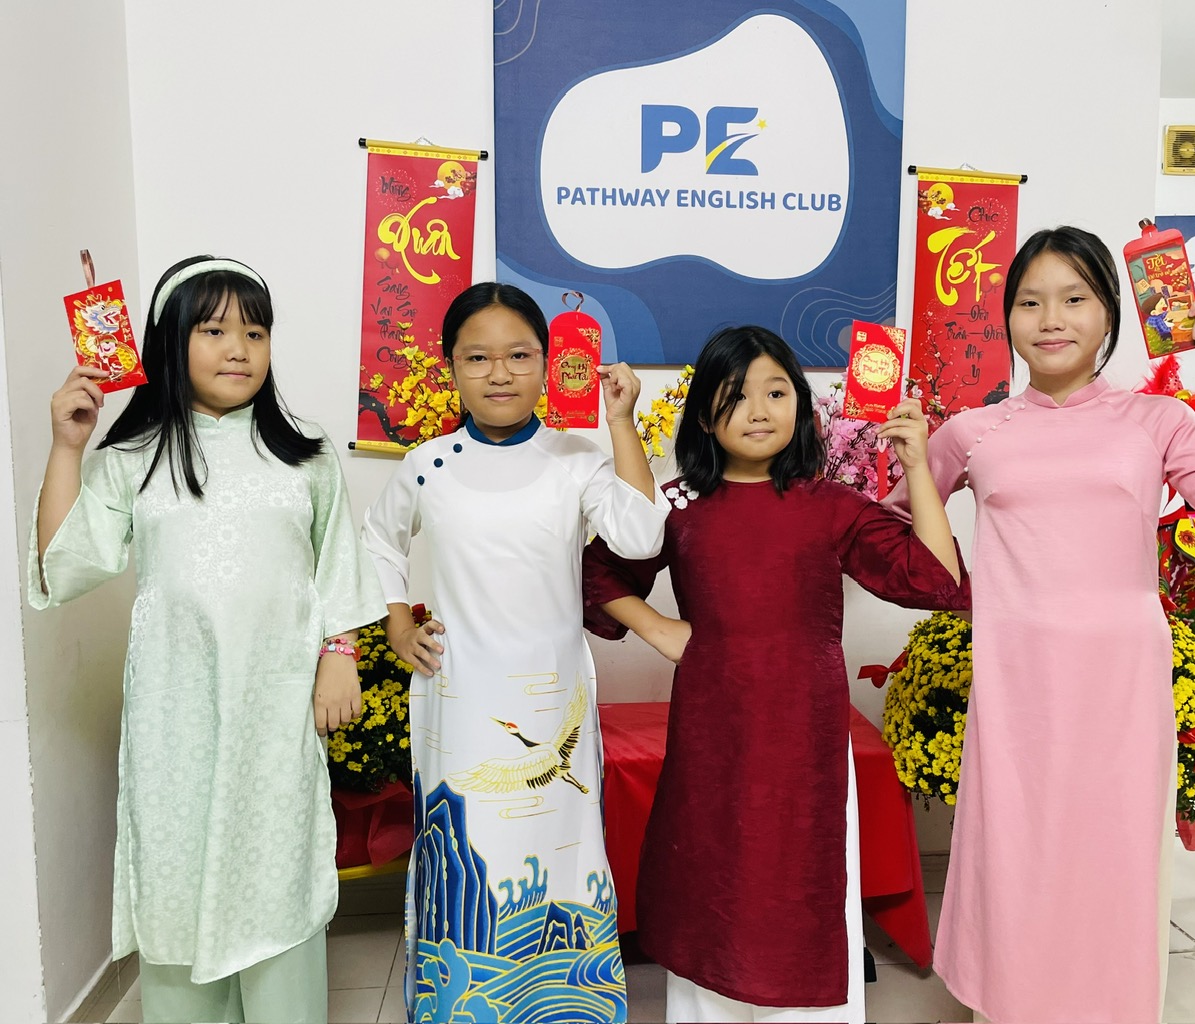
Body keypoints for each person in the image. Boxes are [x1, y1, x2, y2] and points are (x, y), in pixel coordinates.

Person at [886, 225, 1195, 1023]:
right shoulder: (973, 430)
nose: (1051, 319)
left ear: (1109, 314)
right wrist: (913, 460)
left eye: (1074, 299)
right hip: (1015, 689)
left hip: (1122, 690)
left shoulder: (1157, 421)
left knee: (1114, 864)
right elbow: (906, 554)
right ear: (1007, 318)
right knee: (1016, 860)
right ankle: (1007, 1007)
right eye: (1030, 303)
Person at [31, 256, 387, 1024]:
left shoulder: (305, 450)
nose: (240, 349)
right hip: (174, 722)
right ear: (170, 341)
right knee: (178, 873)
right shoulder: (134, 458)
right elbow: (63, 566)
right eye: (216, 330)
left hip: (276, 714)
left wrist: (340, 657)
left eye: (255, 332)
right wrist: (66, 448)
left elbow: (338, 566)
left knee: (276, 874)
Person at [581, 325, 968, 1023]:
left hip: (806, 742)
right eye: (735, 396)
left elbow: (935, 579)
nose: (758, 411)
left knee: (801, 884)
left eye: (776, 392)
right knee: (712, 881)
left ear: (801, 406)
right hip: (712, 734)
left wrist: (916, 466)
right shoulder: (678, 504)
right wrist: (658, 628)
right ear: (705, 416)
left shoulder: (831, 505)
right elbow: (598, 572)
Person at [361, 282, 669, 1024]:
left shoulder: (577, 460)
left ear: (546, 363)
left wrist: (620, 423)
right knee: (468, 844)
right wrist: (398, 626)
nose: (499, 373)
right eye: (477, 357)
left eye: (519, 356)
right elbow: (376, 542)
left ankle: (569, 1004)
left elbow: (640, 538)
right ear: (450, 367)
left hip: (553, 695)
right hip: (458, 696)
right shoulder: (426, 465)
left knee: (559, 846)